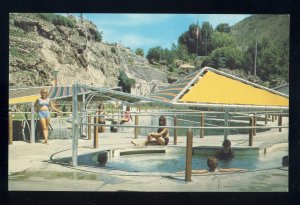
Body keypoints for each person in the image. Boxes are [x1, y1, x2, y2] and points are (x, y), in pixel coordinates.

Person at [177, 156, 247, 174]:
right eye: (215, 164)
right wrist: (181, 172)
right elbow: (193, 171)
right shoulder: (207, 171)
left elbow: (231, 170)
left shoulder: (217, 170)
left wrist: (242, 169)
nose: (215, 165)